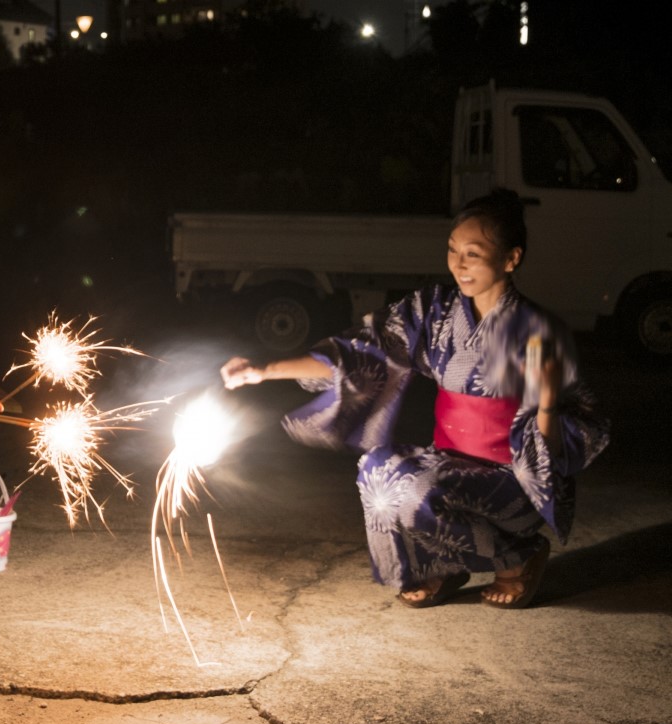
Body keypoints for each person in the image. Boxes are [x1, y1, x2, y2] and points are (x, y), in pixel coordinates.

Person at [220, 188, 610, 609]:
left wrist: (547, 400)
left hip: (512, 480)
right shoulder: (436, 311)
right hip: (452, 465)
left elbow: (573, 435)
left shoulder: (537, 331)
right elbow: (360, 353)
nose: (458, 264)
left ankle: (519, 556)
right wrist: (265, 369)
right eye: (452, 250)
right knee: (377, 471)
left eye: (473, 254)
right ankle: (442, 562)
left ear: (511, 259)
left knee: (410, 488)